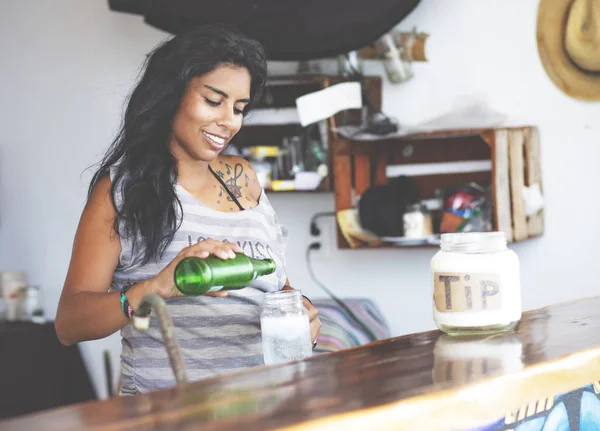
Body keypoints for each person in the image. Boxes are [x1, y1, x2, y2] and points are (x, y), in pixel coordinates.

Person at [55, 24, 321, 395]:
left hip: (266, 406)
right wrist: (157, 287)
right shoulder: (122, 191)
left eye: (239, 108)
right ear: (171, 94)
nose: (229, 120)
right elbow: (70, 323)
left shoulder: (243, 178)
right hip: (169, 413)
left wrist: (299, 306)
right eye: (213, 101)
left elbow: (274, 282)